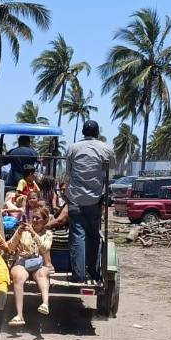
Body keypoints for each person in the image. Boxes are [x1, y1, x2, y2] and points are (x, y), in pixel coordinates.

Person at [65, 120, 113, 284]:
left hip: (75, 199)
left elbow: (69, 172)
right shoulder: (106, 148)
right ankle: (93, 272)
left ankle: (78, 275)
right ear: (97, 132)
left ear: (83, 132)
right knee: (94, 235)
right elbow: (108, 173)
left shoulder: (72, 148)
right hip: (95, 199)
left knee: (77, 235)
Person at [8, 205, 53, 327]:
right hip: (23, 261)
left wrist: (33, 233)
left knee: (42, 274)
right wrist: (18, 233)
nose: (34, 221)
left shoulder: (48, 234)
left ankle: (45, 303)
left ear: (44, 220)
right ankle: (19, 315)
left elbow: (44, 248)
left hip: (39, 262)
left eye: (37, 218)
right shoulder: (23, 231)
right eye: (33, 218)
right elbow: (10, 248)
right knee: (18, 276)